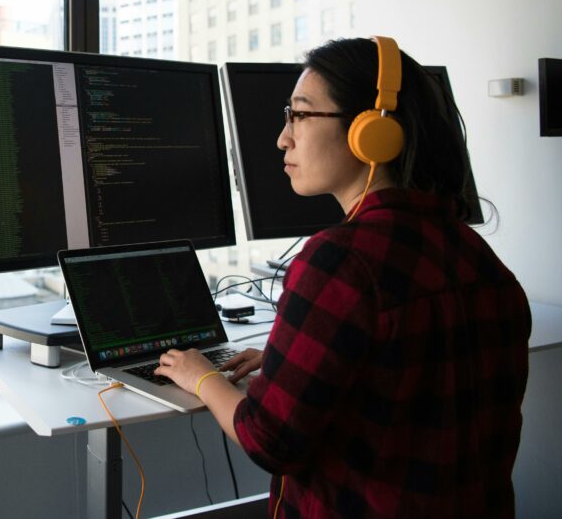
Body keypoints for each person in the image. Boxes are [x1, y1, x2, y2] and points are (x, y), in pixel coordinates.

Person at [154, 37, 531, 517]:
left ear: (372, 132)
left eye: (300, 115)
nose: (282, 138)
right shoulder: (478, 256)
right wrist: (291, 357)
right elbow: (412, 369)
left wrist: (202, 376)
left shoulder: (340, 261)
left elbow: (269, 440)